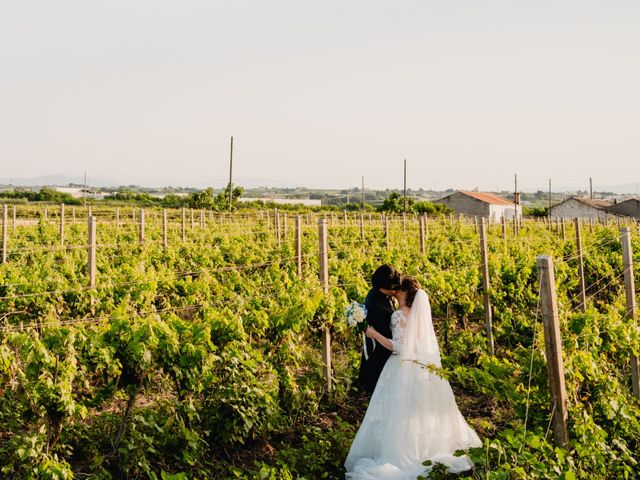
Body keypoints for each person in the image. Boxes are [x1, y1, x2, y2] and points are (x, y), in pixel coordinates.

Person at [345, 277, 482, 479]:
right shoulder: (418, 317)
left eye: (398, 289)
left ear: (404, 293)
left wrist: (373, 334)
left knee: (397, 412)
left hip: (401, 366)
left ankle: (399, 452)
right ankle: (426, 447)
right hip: (421, 364)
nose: (394, 291)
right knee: (419, 409)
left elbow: (398, 347)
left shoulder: (398, 315)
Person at [358, 264, 402, 394]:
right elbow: (386, 338)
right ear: (383, 288)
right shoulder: (376, 305)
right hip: (381, 357)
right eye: (394, 288)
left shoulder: (382, 295)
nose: (396, 291)